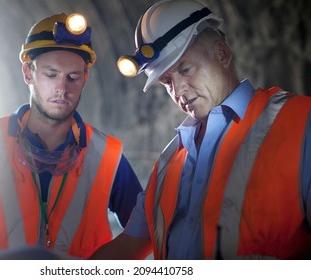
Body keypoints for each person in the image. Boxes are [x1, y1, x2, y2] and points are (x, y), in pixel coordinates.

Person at [90, 0, 311, 260]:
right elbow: (128, 247)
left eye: (185, 69)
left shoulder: (299, 122)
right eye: (167, 81)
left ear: (222, 54)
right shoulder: (168, 161)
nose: (178, 90)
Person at [0, 12, 142, 259]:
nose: (62, 88)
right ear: (28, 73)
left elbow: (146, 232)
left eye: (73, 77)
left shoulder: (106, 156)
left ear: (85, 79)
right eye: (51, 74)